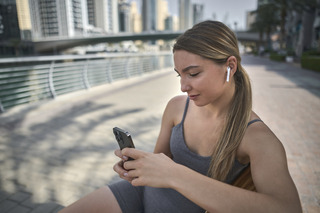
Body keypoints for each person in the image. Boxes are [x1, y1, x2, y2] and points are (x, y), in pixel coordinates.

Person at [59, 20, 302, 213]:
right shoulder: (177, 108)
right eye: (179, 75)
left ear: (230, 66)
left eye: (193, 74)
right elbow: (160, 163)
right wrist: (139, 167)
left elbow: (287, 209)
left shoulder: (256, 137)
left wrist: (175, 175)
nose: (183, 86)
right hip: (140, 195)